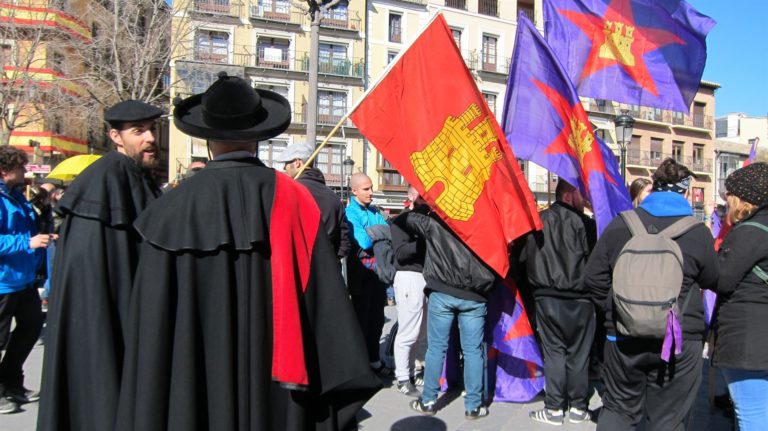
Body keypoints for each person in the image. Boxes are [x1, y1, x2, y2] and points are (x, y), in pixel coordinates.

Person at [114, 72, 380, 431]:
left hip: (195, 383)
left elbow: (153, 327)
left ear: (207, 137)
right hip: (279, 390)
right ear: (258, 136)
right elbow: (323, 302)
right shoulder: (294, 199)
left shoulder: (169, 209)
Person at [38, 100, 164, 431]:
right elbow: (91, 269)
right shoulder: (105, 179)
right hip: (105, 318)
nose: (150, 138)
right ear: (116, 136)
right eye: (139, 131)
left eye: (152, 129)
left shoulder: (136, 174)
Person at [584, 158, 718, 430]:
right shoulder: (697, 233)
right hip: (679, 338)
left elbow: (593, 277)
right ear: (685, 192)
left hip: (622, 336)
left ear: (654, 188)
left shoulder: (621, 225)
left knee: (618, 410)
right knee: (669, 418)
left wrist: (618, 309)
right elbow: (713, 279)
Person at [405, 209, 496, 420]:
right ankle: (473, 406)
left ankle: (428, 400)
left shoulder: (436, 219)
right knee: (473, 351)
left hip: (442, 290)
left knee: (436, 348)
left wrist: (424, 206)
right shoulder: (485, 221)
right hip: (474, 292)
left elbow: (406, 219)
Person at [522, 180, 597, 425]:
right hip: (580, 298)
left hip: (548, 297)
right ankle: (578, 407)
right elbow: (596, 261)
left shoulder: (538, 222)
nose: (584, 197)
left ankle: (554, 407)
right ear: (567, 195)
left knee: (554, 352)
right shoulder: (586, 224)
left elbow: (524, 257)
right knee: (579, 354)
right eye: (580, 193)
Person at [711, 162, 768, 431]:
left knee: (752, 414)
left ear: (745, 198)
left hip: (749, 340)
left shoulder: (750, 231)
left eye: (730, 194)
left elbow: (722, 278)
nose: (727, 199)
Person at [0, 147, 50, 414]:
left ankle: (12, 383)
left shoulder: (17, 197)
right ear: (4, 170)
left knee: (31, 327)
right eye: (21, 167)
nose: (25, 171)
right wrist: (27, 243)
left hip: (24, 279)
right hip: (4, 282)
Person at [345, 172, 390, 374]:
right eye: (366, 189)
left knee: (377, 320)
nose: (371, 192)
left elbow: (389, 234)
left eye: (371, 187)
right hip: (360, 275)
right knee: (361, 321)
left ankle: (373, 359)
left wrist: (374, 233)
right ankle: (359, 365)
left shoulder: (374, 211)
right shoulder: (350, 213)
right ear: (354, 190)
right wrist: (379, 233)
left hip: (378, 274)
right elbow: (363, 241)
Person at [276, 142, 350, 260]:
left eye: (287, 163)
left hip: (297, 263)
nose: (284, 168)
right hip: (327, 263)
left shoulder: (288, 191)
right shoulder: (333, 196)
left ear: (297, 163)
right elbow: (344, 240)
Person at [389, 185, 428, 397]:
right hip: (409, 277)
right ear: (412, 196)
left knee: (422, 332)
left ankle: (414, 371)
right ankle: (403, 377)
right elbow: (401, 253)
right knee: (408, 331)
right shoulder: (401, 220)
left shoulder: (428, 219)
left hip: (426, 278)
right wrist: (423, 242)